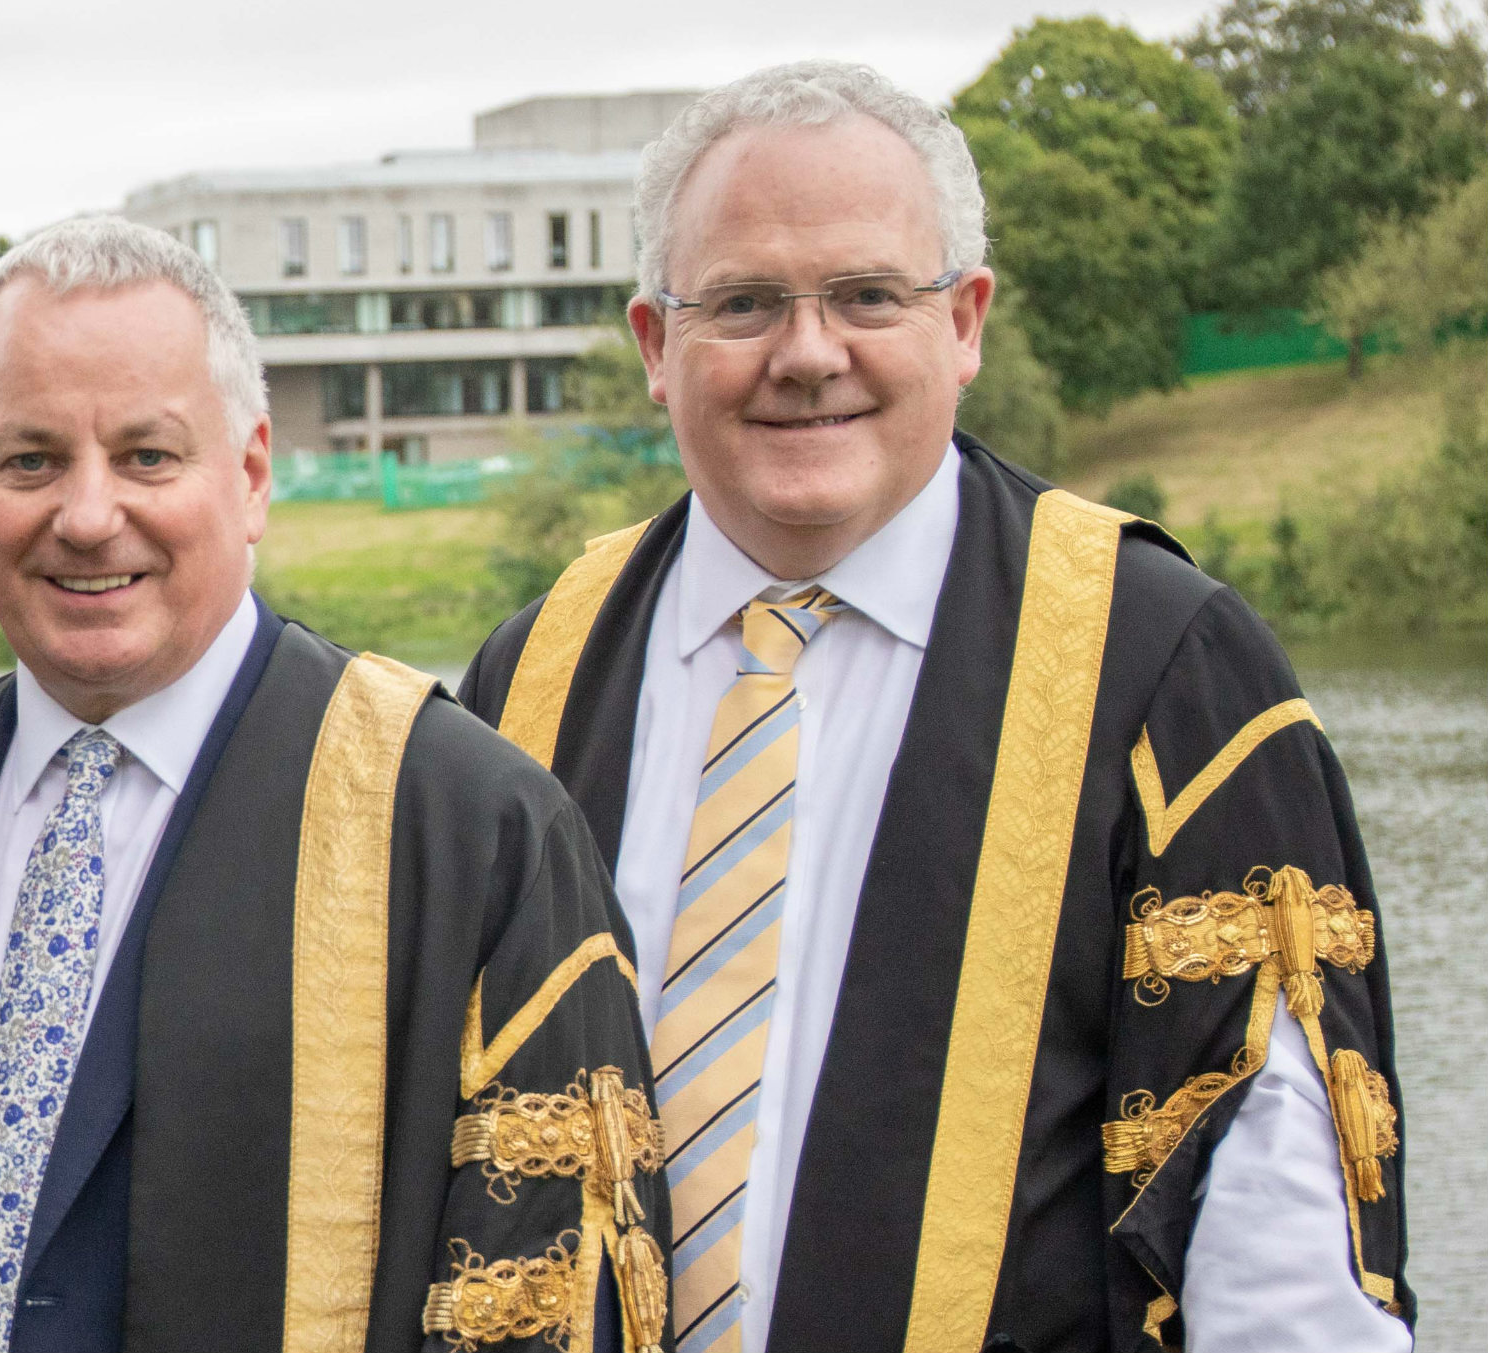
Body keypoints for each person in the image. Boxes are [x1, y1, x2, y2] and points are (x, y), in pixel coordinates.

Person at [458, 61, 1409, 1353]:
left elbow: (1270, 1229)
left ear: (963, 322)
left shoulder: (1161, 663)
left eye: (866, 295)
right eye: (740, 303)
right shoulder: (534, 675)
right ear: (652, 344)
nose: (806, 355)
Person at [0, 217, 663, 1353]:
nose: (88, 515)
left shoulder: (464, 829)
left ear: (250, 474)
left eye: (147, 455)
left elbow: (538, 1298)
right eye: (30, 460)